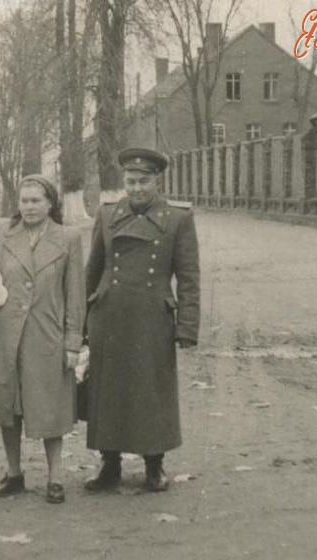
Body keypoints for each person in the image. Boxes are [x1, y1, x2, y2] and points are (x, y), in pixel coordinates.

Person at [0, 174, 85, 504]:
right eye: (24, 201)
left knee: (50, 406)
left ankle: (55, 477)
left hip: (46, 334)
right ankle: (14, 473)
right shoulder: (0, 232)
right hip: (4, 333)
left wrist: (72, 342)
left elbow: (75, 294)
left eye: (36, 201)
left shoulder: (68, 238)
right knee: (8, 404)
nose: (29, 207)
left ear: (51, 203)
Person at [83, 147, 200, 492]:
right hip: (110, 315)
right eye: (130, 181)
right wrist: (80, 320)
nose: (136, 188)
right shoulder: (106, 216)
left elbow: (189, 276)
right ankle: (109, 464)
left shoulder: (178, 219)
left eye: (144, 181)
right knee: (108, 391)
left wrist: (187, 326)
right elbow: (94, 269)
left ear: (157, 181)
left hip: (153, 318)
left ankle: (154, 465)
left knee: (152, 390)